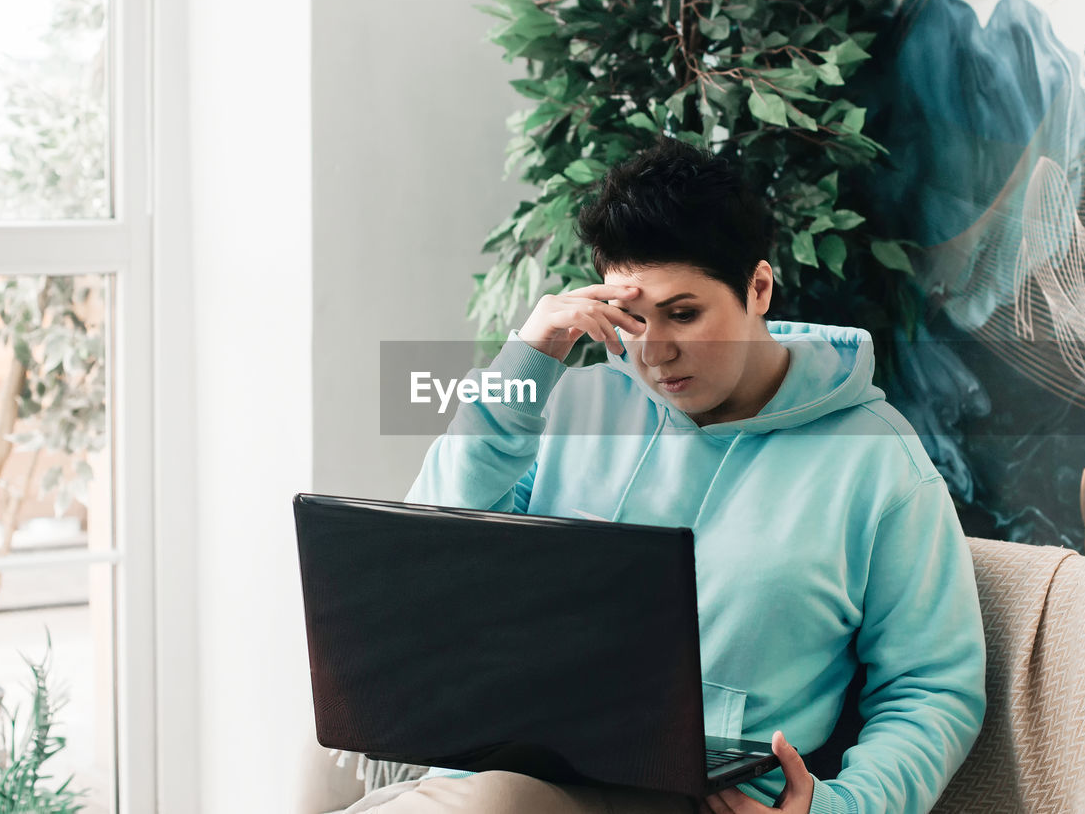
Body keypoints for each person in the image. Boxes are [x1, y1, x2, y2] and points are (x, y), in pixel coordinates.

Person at [351, 138, 985, 814]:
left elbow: (932, 685)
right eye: (633, 320)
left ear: (758, 288)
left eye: (684, 314)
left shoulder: (877, 459)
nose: (655, 352)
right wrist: (523, 364)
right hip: (527, 755)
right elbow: (430, 556)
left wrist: (846, 807)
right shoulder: (575, 403)